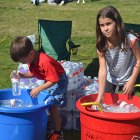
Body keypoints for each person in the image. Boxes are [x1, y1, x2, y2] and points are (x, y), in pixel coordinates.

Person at [10, 36, 68, 140]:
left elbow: (54, 80)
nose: (23, 63)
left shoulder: (44, 61)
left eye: (23, 61)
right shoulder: (31, 60)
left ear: (31, 53)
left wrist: (39, 88)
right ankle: (48, 127)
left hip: (59, 81)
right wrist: (21, 76)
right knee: (46, 104)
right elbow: (33, 73)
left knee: (53, 108)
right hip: (50, 80)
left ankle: (58, 133)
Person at [95, 6, 140, 103]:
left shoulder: (130, 40)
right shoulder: (101, 44)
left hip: (128, 78)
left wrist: (132, 81)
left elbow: (139, 60)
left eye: (108, 24)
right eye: (102, 25)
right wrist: (100, 95)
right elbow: (102, 69)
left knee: (127, 106)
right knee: (106, 104)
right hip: (110, 78)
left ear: (117, 23)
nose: (105, 28)